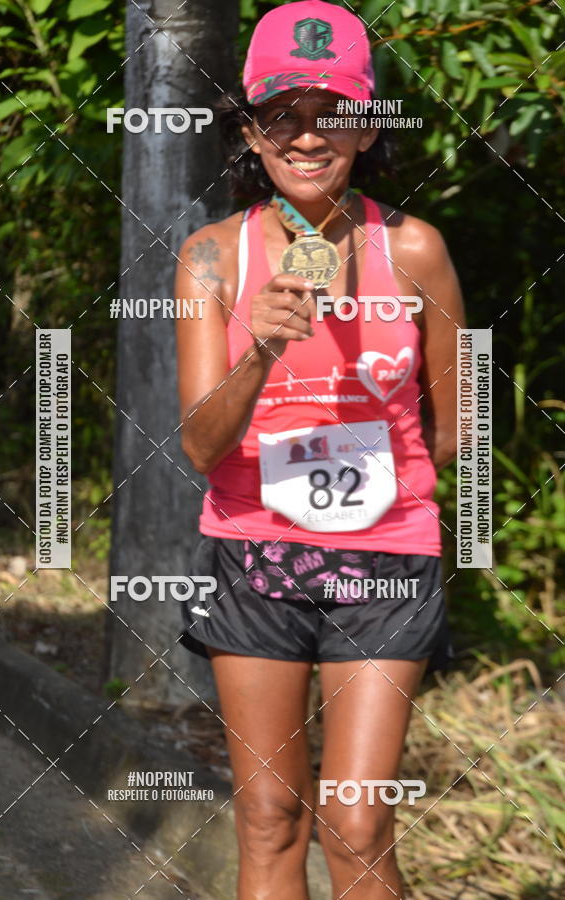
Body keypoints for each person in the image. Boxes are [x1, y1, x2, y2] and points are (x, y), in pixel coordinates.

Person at [175, 1, 465, 897]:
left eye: (331, 112)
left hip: (385, 560)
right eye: (281, 116)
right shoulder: (211, 261)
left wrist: (389, 494)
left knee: (357, 819)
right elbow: (197, 445)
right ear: (250, 130)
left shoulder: (413, 249)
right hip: (253, 553)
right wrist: (258, 351)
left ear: (368, 125)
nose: (307, 137)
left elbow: (457, 426)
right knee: (268, 819)